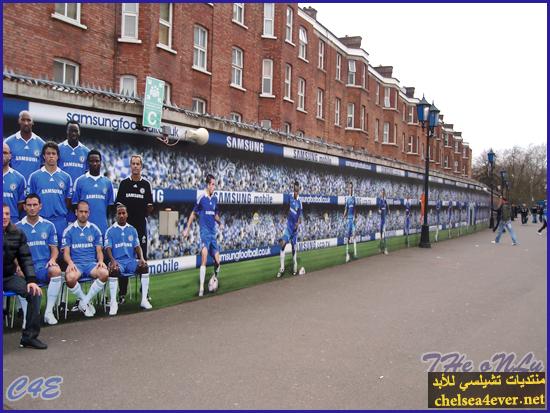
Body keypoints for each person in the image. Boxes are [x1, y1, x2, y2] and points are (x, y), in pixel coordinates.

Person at [3, 204, 47, 349]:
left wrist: (31, 280)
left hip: (8, 277)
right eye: (2, 214)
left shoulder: (17, 233)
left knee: (35, 293)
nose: (4, 217)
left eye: (7, 214)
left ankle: (29, 337)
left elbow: (25, 259)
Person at [15, 194, 62, 325]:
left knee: (56, 271)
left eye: (35, 205)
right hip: (27, 268)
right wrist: (18, 265)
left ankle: (48, 312)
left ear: (40, 206)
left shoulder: (49, 225)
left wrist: (53, 259)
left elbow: (54, 249)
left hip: (43, 268)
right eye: (29, 205)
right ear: (24, 207)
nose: (32, 208)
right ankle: (26, 317)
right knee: (19, 275)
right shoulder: (17, 227)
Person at [114, 155, 153, 304]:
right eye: (133, 164)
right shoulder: (124, 184)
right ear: (130, 166)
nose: (135, 166)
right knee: (123, 258)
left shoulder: (146, 184)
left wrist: (144, 212)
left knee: (143, 257)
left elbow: (150, 206)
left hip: (141, 227)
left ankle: (145, 292)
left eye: (138, 164)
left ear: (141, 166)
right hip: (126, 228)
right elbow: (119, 206)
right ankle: (122, 293)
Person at [62, 200, 109, 317]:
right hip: (76, 264)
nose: (83, 214)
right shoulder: (69, 230)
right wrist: (70, 263)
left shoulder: (95, 229)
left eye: (85, 212)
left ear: (89, 213)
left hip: (91, 264)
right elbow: (66, 253)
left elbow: (99, 251)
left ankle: (84, 301)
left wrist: (101, 261)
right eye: (81, 211)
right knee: (70, 278)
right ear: (76, 212)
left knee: (104, 273)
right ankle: (85, 301)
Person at [104, 204, 150, 315]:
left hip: (130, 262)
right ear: (116, 215)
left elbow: (137, 246)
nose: (121, 215)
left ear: (127, 214)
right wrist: (112, 260)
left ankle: (144, 300)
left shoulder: (132, 230)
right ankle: (114, 303)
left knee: (144, 267)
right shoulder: (110, 231)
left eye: (123, 213)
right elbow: (108, 248)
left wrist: (142, 258)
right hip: (118, 262)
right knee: (114, 270)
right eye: (119, 213)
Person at [183, 174, 223, 296]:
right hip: (204, 232)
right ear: (207, 184)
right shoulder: (201, 198)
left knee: (218, 261)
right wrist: (187, 228)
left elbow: (215, 214)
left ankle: (214, 278)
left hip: (213, 233)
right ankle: (201, 288)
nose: (214, 187)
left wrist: (219, 222)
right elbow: (193, 214)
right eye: (212, 184)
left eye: (214, 185)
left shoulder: (215, 199)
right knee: (204, 256)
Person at [27, 141, 72, 248]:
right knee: (43, 252)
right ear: (43, 156)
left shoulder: (66, 177)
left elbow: (68, 201)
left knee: (61, 253)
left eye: (53, 153)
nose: (51, 156)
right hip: (41, 220)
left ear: (58, 156)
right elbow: (31, 200)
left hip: (60, 221)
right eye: (48, 153)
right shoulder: (34, 176)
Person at [72, 150, 115, 236]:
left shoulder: (107, 183)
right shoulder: (80, 181)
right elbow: (75, 206)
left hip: (102, 228)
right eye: (92, 161)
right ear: (88, 163)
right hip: (83, 228)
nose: (95, 163)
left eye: (97, 161)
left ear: (101, 162)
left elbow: (110, 208)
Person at [58, 121, 90, 222]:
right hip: (62, 193)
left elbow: (87, 176)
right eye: (70, 131)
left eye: (76, 131)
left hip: (79, 196)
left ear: (79, 132)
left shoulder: (86, 151)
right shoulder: (58, 149)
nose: (73, 133)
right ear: (66, 131)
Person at [4, 110, 45, 178]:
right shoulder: (8, 143)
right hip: (14, 186)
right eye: (23, 120)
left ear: (32, 122)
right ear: (19, 121)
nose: (26, 123)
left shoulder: (41, 144)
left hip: (33, 187)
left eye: (29, 120)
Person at [276, 181, 303, 277]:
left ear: (299, 190)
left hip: (295, 231)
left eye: (297, 190)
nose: (295, 191)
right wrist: (284, 216)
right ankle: (282, 268)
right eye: (294, 189)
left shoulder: (300, 202)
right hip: (288, 228)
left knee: (293, 249)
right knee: (282, 244)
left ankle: (295, 266)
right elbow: (286, 207)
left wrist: (297, 224)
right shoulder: (290, 197)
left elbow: (300, 217)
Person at [3, 142, 26, 221]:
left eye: (5, 153)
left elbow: (21, 203)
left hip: (12, 221)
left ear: (10, 156)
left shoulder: (19, 178)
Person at [343, 181, 357, 262]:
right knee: (348, 237)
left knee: (354, 235)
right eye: (349, 187)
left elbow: (355, 209)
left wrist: (355, 217)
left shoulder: (354, 198)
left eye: (351, 187)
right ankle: (347, 254)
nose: (350, 189)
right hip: (348, 219)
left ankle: (355, 253)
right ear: (348, 189)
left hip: (353, 219)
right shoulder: (347, 199)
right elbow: (346, 209)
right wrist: (344, 215)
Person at [378, 188, 389, 255]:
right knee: (381, 235)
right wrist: (379, 211)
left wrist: (387, 212)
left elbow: (387, 209)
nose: (382, 193)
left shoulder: (385, 201)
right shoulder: (380, 201)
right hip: (381, 221)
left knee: (384, 235)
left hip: (384, 220)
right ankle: (380, 248)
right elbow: (379, 210)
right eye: (381, 192)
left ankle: (385, 249)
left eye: (383, 192)